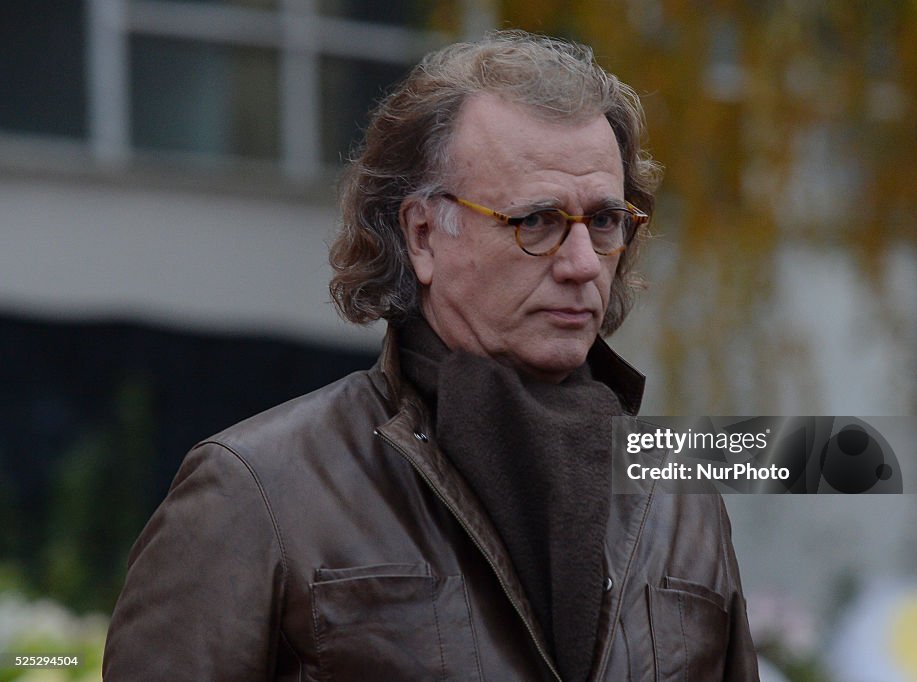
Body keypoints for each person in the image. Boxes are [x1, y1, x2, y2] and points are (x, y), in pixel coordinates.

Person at [103, 30, 758, 681]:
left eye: (606, 221)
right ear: (422, 234)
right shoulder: (257, 491)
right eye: (536, 221)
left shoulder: (681, 495)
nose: (584, 264)